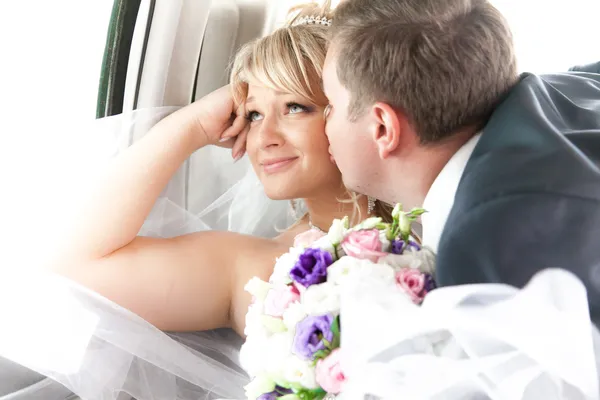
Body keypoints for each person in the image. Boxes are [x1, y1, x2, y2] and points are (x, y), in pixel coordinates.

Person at [0, 2, 395, 399]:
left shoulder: (438, 207)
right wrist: (192, 125)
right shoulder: (256, 267)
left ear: (350, 111)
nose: (265, 137)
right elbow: (74, 265)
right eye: (254, 114)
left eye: (295, 107)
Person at [321, 0, 600, 323]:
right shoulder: (571, 86)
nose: (323, 123)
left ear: (383, 128)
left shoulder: (481, 246)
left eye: (331, 104)